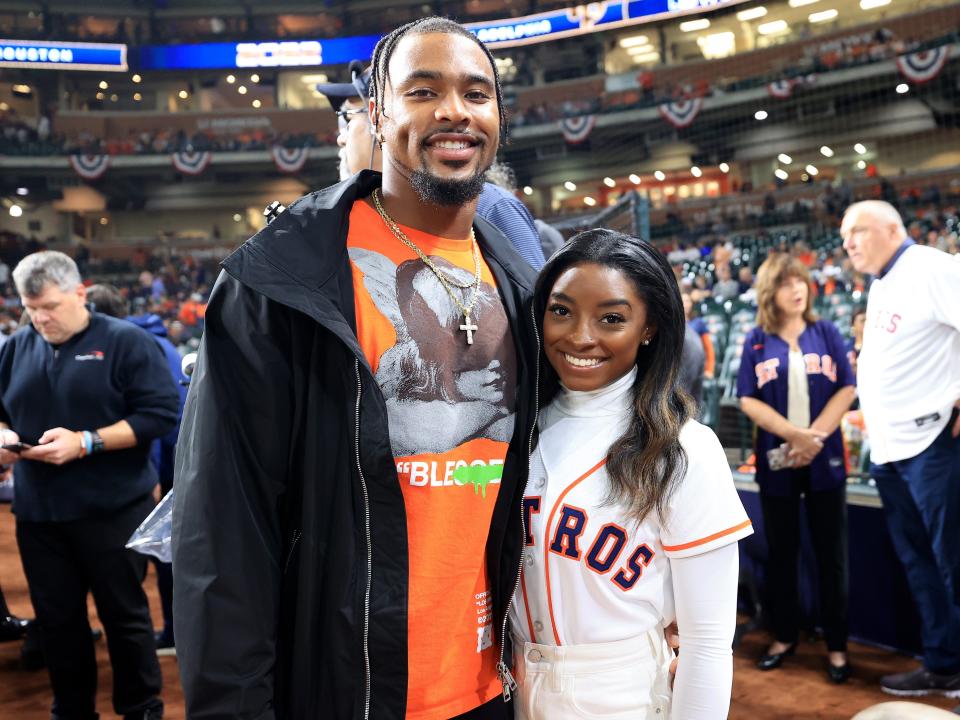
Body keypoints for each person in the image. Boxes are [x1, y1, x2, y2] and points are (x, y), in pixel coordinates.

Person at [173, 18, 538, 720]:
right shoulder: (280, 278)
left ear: (497, 116)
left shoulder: (523, 283)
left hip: (494, 690)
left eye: (476, 92)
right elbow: (224, 528)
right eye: (423, 90)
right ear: (377, 113)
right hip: (345, 690)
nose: (454, 110)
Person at [509, 229, 753, 718]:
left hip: (623, 692)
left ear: (649, 328)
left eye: (612, 318)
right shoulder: (512, 430)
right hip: (509, 684)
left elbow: (706, 644)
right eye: (561, 310)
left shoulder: (686, 450)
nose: (580, 336)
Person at [0, 251, 179, 720]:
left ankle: (141, 709)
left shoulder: (126, 341)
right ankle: (72, 711)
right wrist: (3, 437)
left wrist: (87, 442)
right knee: (58, 623)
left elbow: (160, 414)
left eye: (50, 307)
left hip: (111, 510)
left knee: (125, 619)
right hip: (39, 514)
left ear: (80, 293)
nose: (40, 318)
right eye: (30, 307)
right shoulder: (18, 345)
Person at [841, 200, 960, 697]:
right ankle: (945, 663)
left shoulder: (931, 267)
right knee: (921, 564)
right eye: (844, 236)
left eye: (857, 232)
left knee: (953, 561)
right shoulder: (884, 281)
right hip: (892, 449)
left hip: (934, 445)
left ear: (892, 228)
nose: (847, 243)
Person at [736, 253, 856, 683]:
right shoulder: (755, 340)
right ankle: (784, 636)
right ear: (772, 291)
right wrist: (793, 435)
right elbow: (747, 398)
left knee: (831, 558)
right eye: (787, 283)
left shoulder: (826, 331)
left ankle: (838, 645)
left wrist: (815, 437)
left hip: (825, 459)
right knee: (783, 554)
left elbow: (847, 385)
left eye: (801, 281)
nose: (797, 289)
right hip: (777, 460)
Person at [318, 59, 547, 270]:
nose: (341, 137)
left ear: (378, 121)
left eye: (347, 119)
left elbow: (533, 311)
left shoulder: (492, 207)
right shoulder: (359, 221)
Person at [86, 283, 186, 655]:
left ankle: (174, 634)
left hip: (161, 464)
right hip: (174, 458)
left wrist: (154, 479)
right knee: (168, 552)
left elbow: (157, 420)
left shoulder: (133, 345)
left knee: (159, 553)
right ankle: (176, 632)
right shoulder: (154, 339)